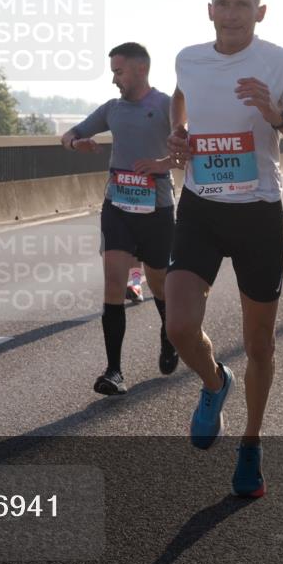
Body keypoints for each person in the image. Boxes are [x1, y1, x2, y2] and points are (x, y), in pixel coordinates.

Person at [167, 0, 283, 498]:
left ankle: (251, 444)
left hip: (257, 212)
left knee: (260, 342)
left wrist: (277, 117)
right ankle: (215, 383)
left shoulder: (279, 63)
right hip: (200, 207)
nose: (231, 12)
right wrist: (178, 130)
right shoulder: (189, 57)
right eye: (222, 3)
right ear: (208, 9)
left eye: (242, 4)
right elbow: (180, 95)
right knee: (179, 327)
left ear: (260, 12)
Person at [63, 42, 180, 395]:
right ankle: (114, 371)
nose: (115, 79)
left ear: (141, 69)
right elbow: (69, 135)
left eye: (119, 71)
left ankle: (169, 334)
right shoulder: (111, 109)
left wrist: (162, 164)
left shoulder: (166, 106)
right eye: (113, 71)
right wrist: (75, 144)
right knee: (114, 282)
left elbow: (189, 150)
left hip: (157, 208)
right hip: (117, 206)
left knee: (158, 283)